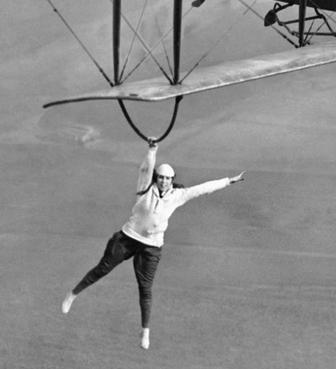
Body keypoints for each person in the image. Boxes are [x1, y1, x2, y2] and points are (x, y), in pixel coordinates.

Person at [61, 140, 245, 349]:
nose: (164, 181)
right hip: (127, 238)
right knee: (103, 268)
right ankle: (72, 295)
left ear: (172, 180)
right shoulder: (144, 188)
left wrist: (229, 181)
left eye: (168, 179)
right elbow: (146, 168)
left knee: (145, 288)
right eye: (161, 178)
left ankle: (145, 332)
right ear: (156, 178)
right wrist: (152, 150)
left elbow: (202, 189)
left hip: (152, 246)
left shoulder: (178, 196)